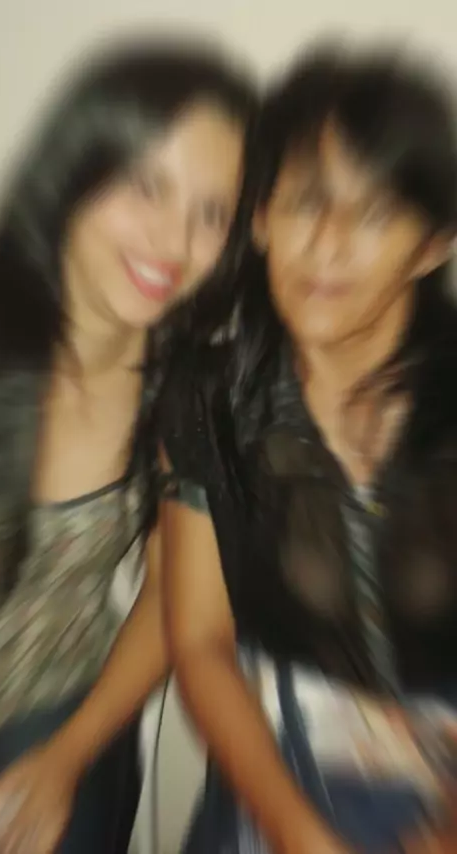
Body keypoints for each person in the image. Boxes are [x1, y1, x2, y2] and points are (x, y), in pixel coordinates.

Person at [156, 44, 457, 854]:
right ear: (260, 218)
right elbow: (200, 642)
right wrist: (294, 829)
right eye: (305, 203)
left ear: (434, 242)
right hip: (283, 765)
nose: (328, 244)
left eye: (375, 213)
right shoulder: (208, 399)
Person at [0, 35, 257, 854]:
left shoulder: (186, 388)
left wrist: (67, 757)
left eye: (212, 214)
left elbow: (173, 595)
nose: (174, 241)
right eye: (146, 186)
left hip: (58, 714)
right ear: (77, 168)